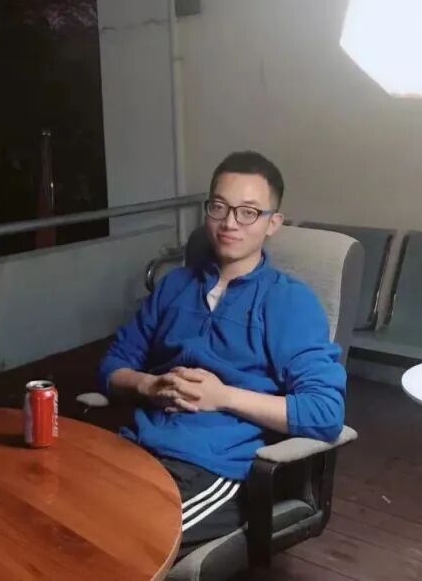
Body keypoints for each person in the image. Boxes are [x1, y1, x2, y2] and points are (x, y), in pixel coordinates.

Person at [98, 150, 347, 557]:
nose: (230, 223)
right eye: (219, 207)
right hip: (137, 446)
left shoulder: (287, 302)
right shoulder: (175, 285)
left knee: (118, 547)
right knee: (60, 519)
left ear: (272, 223)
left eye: (248, 212)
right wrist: (148, 385)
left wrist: (223, 397)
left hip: (212, 469)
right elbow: (113, 364)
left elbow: (325, 414)